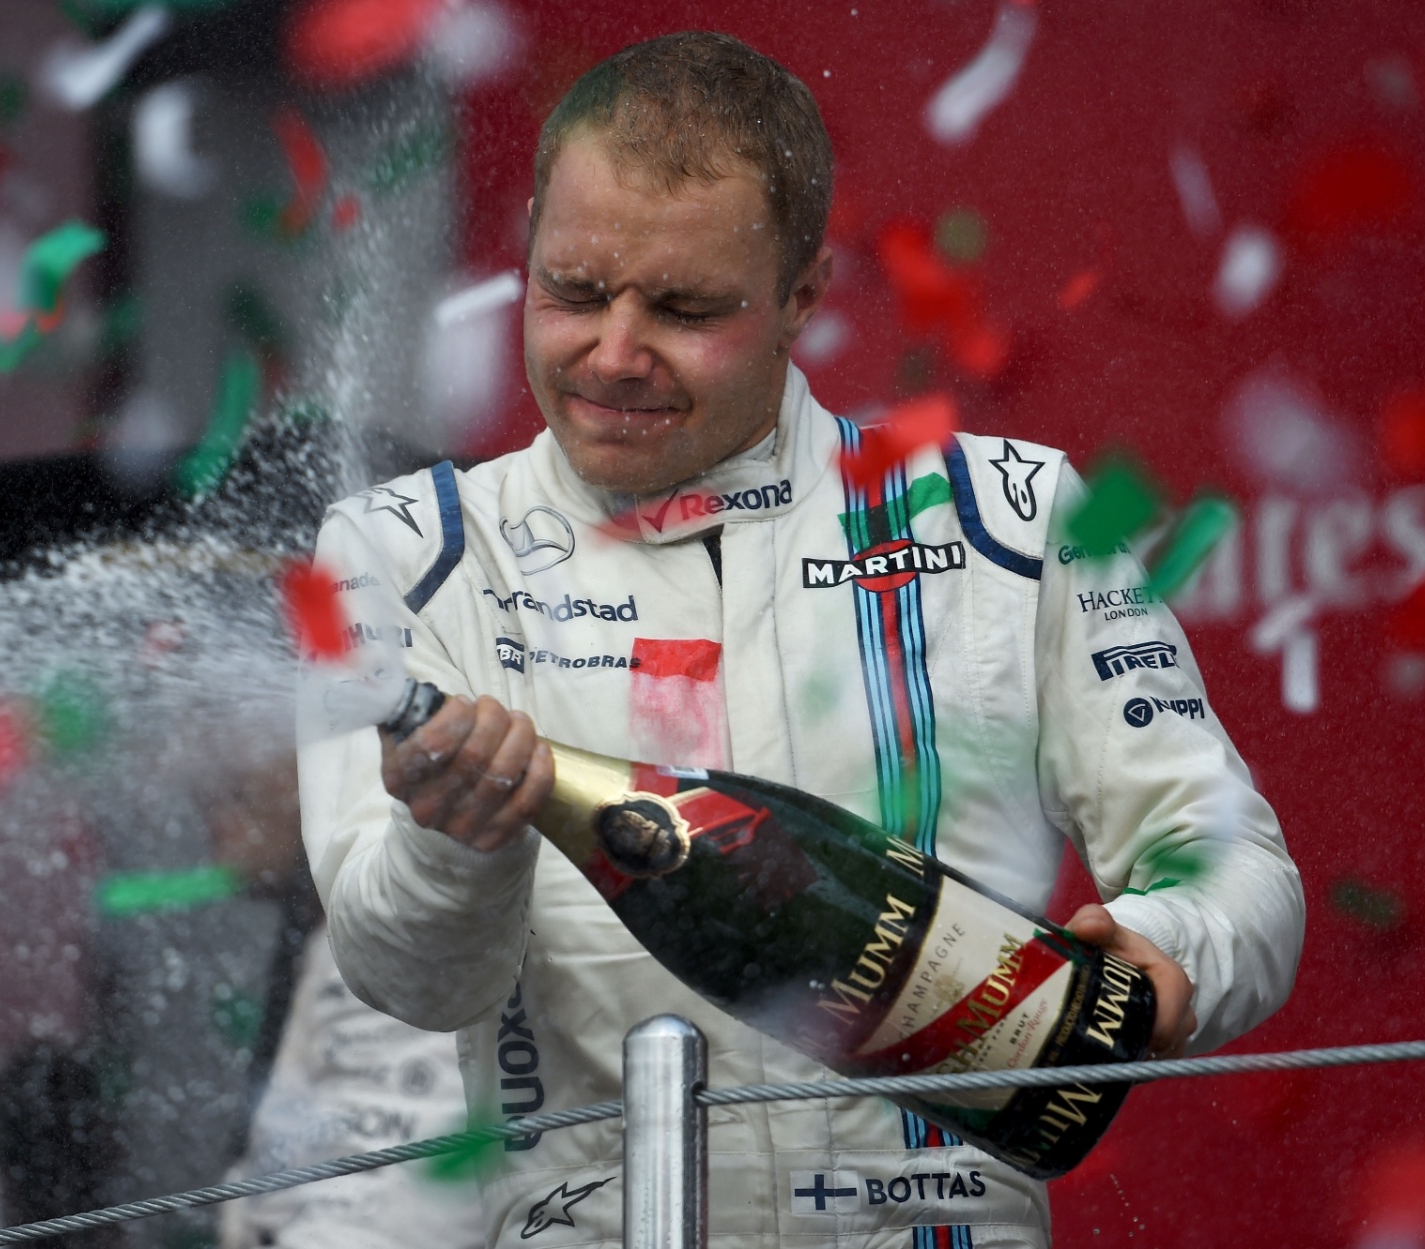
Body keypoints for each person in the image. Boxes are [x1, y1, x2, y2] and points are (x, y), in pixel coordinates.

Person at [297, 31, 1304, 1249]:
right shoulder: (403, 551)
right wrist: (455, 844)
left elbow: (1235, 868)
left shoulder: (1012, 515)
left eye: (683, 308)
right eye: (571, 290)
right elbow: (415, 980)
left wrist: (1167, 955)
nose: (612, 352)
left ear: (804, 296)